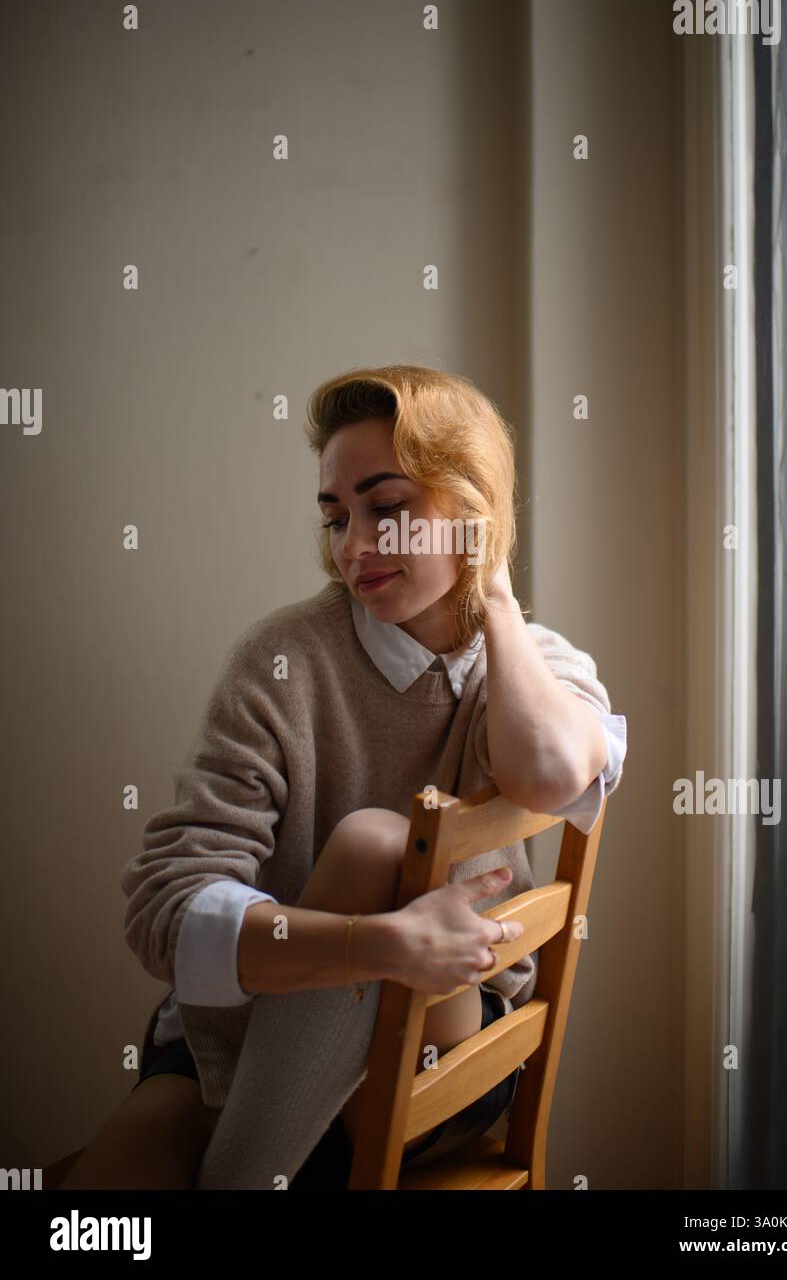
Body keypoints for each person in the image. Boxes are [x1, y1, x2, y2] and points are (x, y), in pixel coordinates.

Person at [60, 364, 626, 1190]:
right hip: (240, 1037)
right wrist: (374, 945)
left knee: (374, 845)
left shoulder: (534, 668)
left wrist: (495, 589)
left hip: (440, 1045)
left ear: (470, 510)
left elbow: (547, 775)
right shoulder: (281, 658)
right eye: (336, 516)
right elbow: (165, 914)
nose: (354, 545)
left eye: (388, 509)